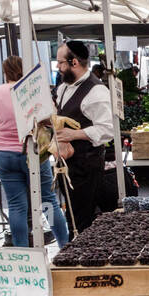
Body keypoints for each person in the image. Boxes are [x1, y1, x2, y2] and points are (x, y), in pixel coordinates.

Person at [0, 56, 69, 249]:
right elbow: (52, 119)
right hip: (32, 151)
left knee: (17, 205)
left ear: (5, 72)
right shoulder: (34, 93)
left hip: (4, 154)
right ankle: (64, 245)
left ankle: (22, 253)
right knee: (48, 201)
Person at [53, 40, 117, 233]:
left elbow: (108, 129)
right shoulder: (63, 88)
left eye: (61, 63)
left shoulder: (96, 91)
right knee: (71, 215)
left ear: (74, 63)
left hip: (86, 167)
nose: (58, 67)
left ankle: (82, 256)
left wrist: (74, 134)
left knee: (83, 218)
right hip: (66, 164)